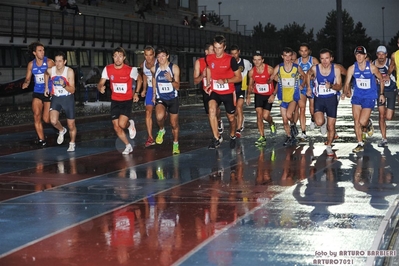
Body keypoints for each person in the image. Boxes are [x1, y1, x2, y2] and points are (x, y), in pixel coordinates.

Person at [97, 47, 142, 155]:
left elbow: (140, 79)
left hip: (126, 100)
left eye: (120, 56)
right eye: (115, 56)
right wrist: (100, 87)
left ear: (124, 57)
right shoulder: (108, 69)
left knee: (122, 124)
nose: (117, 58)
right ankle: (128, 145)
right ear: (113, 57)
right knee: (116, 126)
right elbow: (100, 83)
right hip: (115, 101)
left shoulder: (130, 70)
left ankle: (129, 124)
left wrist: (136, 93)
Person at [343, 46, 385, 153]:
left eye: (361, 54)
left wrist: (381, 94)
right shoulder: (352, 68)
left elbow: (381, 80)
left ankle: (368, 123)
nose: (359, 57)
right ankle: (360, 143)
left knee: (362, 121)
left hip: (369, 96)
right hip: (357, 96)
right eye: (357, 54)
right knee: (356, 122)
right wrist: (345, 92)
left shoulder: (372, 68)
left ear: (365, 56)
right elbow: (347, 82)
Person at [205, 35, 242, 149]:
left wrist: (226, 80)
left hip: (228, 92)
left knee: (231, 118)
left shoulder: (230, 59)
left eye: (220, 48)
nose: (217, 51)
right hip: (215, 90)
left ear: (224, 47)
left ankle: (232, 135)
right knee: (211, 110)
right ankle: (216, 138)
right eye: (215, 48)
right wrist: (208, 82)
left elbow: (239, 78)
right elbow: (208, 69)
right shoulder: (209, 58)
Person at [269, 47, 308, 146]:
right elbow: (271, 78)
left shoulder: (296, 67)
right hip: (282, 97)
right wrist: (271, 79)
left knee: (289, 115)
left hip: (293, 97)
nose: (287, 58)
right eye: (285, 56)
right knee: (284, 120)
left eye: (289, 56)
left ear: (292, 57)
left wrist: (302, 84)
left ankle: (293, 124)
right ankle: (289, 136)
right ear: (282, 56)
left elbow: (304, 76)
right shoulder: (279, 67)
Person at [307, 49, 342, 156]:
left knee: (331, 126)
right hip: (320, 99)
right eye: (322, 58)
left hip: (331, 99)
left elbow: (339, 86)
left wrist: (331, 86)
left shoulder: (336, 69)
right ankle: (324, 120)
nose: (325, 61)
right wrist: (309, 87)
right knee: (319, 122)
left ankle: (329, 145)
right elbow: (307, 75)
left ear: (331, 58)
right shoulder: (315, 68)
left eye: (327, 58)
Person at [22, 41, 55, 147]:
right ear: (34, 53)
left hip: (48, 92)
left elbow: (57, 75)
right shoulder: (31, 65)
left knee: (46, 119)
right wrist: (25, 83)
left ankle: (58, 127)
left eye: (43, 50)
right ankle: (42, 140)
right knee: (36, 116)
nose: (42, 52)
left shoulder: (49, 62)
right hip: (37, 92)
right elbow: (28, 78)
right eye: (40, 51)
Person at [44, 51, 77, 152]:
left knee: (71, 124)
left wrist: (64, 85)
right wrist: (46, 87)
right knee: (53, 121)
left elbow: (72, 90)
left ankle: (72, 143)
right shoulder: (51, 70)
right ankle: (62, 130)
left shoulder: (69, 71)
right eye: (56, 61)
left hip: (67, 98)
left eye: (60, 61)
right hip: (56, 98)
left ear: (65, 62)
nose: (58, 64)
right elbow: (45, 73)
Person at [151, 46, 181, 155]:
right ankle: (162, 129)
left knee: (174, 124)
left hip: (173, 98)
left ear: (167, 56)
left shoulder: (174, 68)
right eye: (158, 57)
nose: (161, 58)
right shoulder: (154, 69)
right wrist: (154, 94)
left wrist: (171, 79)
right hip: (161, 98)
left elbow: (178, 87)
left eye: (163, 56)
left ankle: (176, 143)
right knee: (159, 116)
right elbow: (154, 80)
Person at [246, 50, 276, 146]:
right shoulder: (251, 72)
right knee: (259, 115)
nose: (257, 62)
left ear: (262, 60)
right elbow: (250, 85)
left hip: (268, 95)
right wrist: (248, 96)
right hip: (258, 95)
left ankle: (271, 123)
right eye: (255, 60)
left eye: (259, 60)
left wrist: (273, 95)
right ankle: (262, 136)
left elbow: (279, 81)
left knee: (265, 116)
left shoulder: (269, 70)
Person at [193, 43, 224, 135]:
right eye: (212, 50)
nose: (215, 51)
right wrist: (203, 75)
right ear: (206, 52)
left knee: (215, 109)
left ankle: (217, 133)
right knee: (210, 113)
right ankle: (217, 132)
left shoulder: (220, 60)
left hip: (218, 90)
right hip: (207, 90)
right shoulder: (199, 62)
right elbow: (195, 81)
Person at [373, 45, 397, 147]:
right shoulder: (373, 64)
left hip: (391, 90)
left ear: (386, 55)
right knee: (381, 115)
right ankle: (384, 138)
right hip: (380, 91)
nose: (381, 56)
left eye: (383, 54)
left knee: (389, 117)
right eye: (379, 54)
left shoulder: (391, 63)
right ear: (377, 55)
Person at [294, 43, 319, 140]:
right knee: (302, 108)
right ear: (299, 52)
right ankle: (303, 131)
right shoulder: (297, 61)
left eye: (305, 50)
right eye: (302, 51)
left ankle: (313, 118)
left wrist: (311, 77)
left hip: (311, 86)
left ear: (308, 51)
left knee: (312, 109)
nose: (304, 53)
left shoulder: (313, 60)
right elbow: (293, 73)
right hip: (301, 87)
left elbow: (319, 72)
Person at [230, 44, 252, 138]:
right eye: (232, 54)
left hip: (242, 88)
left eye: (236, 53)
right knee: (233, 112)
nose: (234, 56)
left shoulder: (246, 63)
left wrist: (249, 91)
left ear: (239, 52)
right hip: (231, 88)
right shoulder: (228, 62)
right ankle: (241, 118)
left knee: (239, 107)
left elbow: (251, 73)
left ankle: (238, 129)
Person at [139, 46, 157, 147]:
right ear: (144, 55)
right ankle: (150, 138)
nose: (148, 57)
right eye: (146, 55)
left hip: (159, 89)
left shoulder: (158, 63)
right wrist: (144, 89)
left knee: (160, 115)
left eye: (150, 55)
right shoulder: (143, 65)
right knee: (148, 112)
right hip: (150, 88)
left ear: (153, 54)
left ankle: (161, 126)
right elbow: (144, 77)